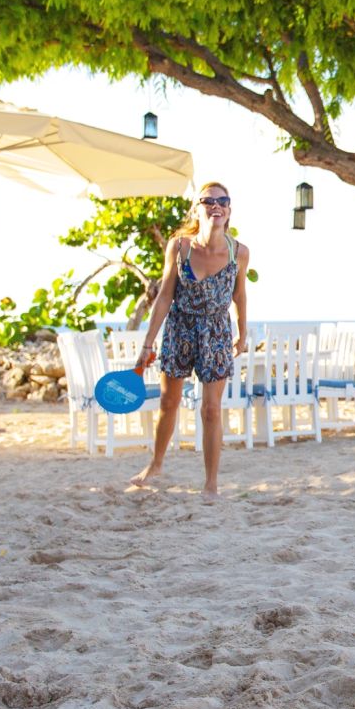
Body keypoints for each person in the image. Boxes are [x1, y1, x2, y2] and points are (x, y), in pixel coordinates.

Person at [129, 182, 250, 499]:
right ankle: (155, 464)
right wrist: (148, 342)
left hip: (216, 332)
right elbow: (165, 296)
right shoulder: (179, 247)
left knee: (211, 409)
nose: (216, 206)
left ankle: (211, 484)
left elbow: (240, 296)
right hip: (180, 328)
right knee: (169, 403)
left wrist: (243, 333)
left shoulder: (240, 253)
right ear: (197, 209)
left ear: (229, 210)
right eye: (208, 201)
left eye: (223, 201)